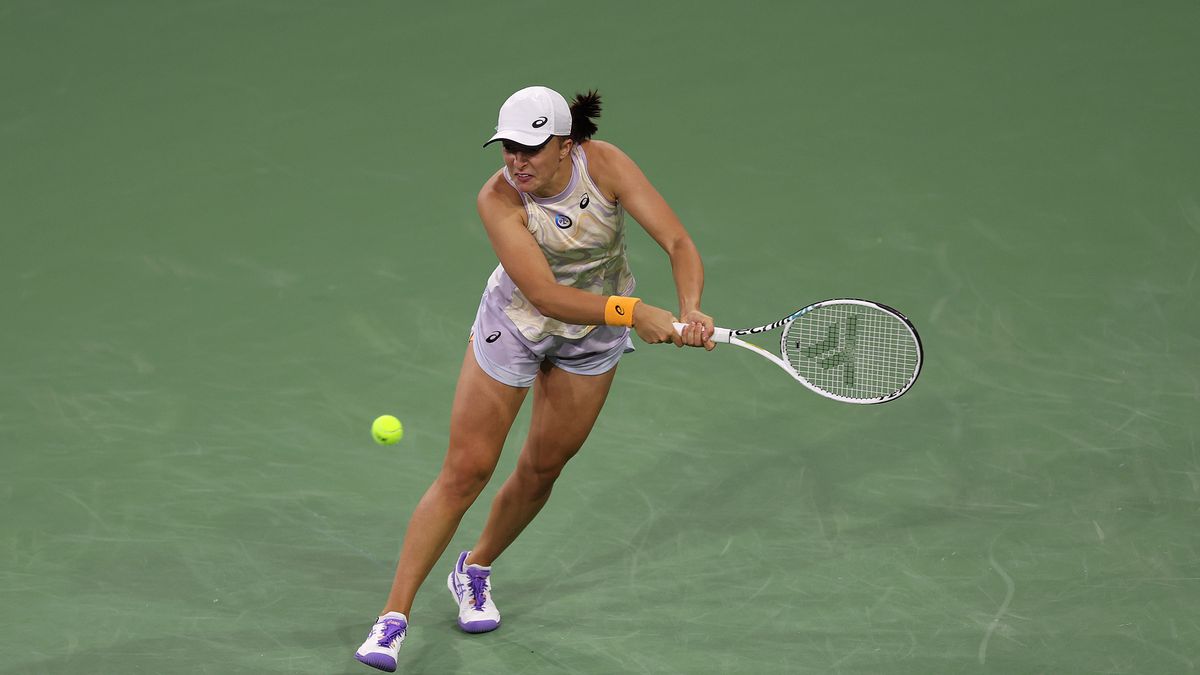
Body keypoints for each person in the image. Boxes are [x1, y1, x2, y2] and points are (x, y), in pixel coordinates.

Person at [354, 85, 715, 672]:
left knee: (544, 467)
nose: (515, 162)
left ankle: (473, 569)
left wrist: (690, 306)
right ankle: (392, 619)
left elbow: (677, 241)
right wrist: (636, 313)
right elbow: (545, 295)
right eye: (507, 149)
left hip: (593, 336)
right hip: (518, 324)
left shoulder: (607, 167)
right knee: (466, 471)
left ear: (566, 146)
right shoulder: (497, 200)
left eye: (530, 149)